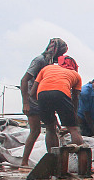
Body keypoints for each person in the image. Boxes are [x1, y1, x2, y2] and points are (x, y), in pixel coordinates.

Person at [20, 38, 68, 166]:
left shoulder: (52, 64)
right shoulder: (39, 61)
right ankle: (24, 162)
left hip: (44, 99)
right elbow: (24, 80)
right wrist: (26, 103)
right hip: (33, 99)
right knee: (35, 131)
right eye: (61, 53)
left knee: (51, 129)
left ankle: (54, 161)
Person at [33, 54, 84, 157]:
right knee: (74, 129)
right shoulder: (76, 75)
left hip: (42, 94)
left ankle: (53, 159)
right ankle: (82, 160)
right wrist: (72, 116)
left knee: (50, 129)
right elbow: (75, 98)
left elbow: (32, 92)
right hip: (61, 93)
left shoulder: (47, 68)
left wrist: (43, 107)